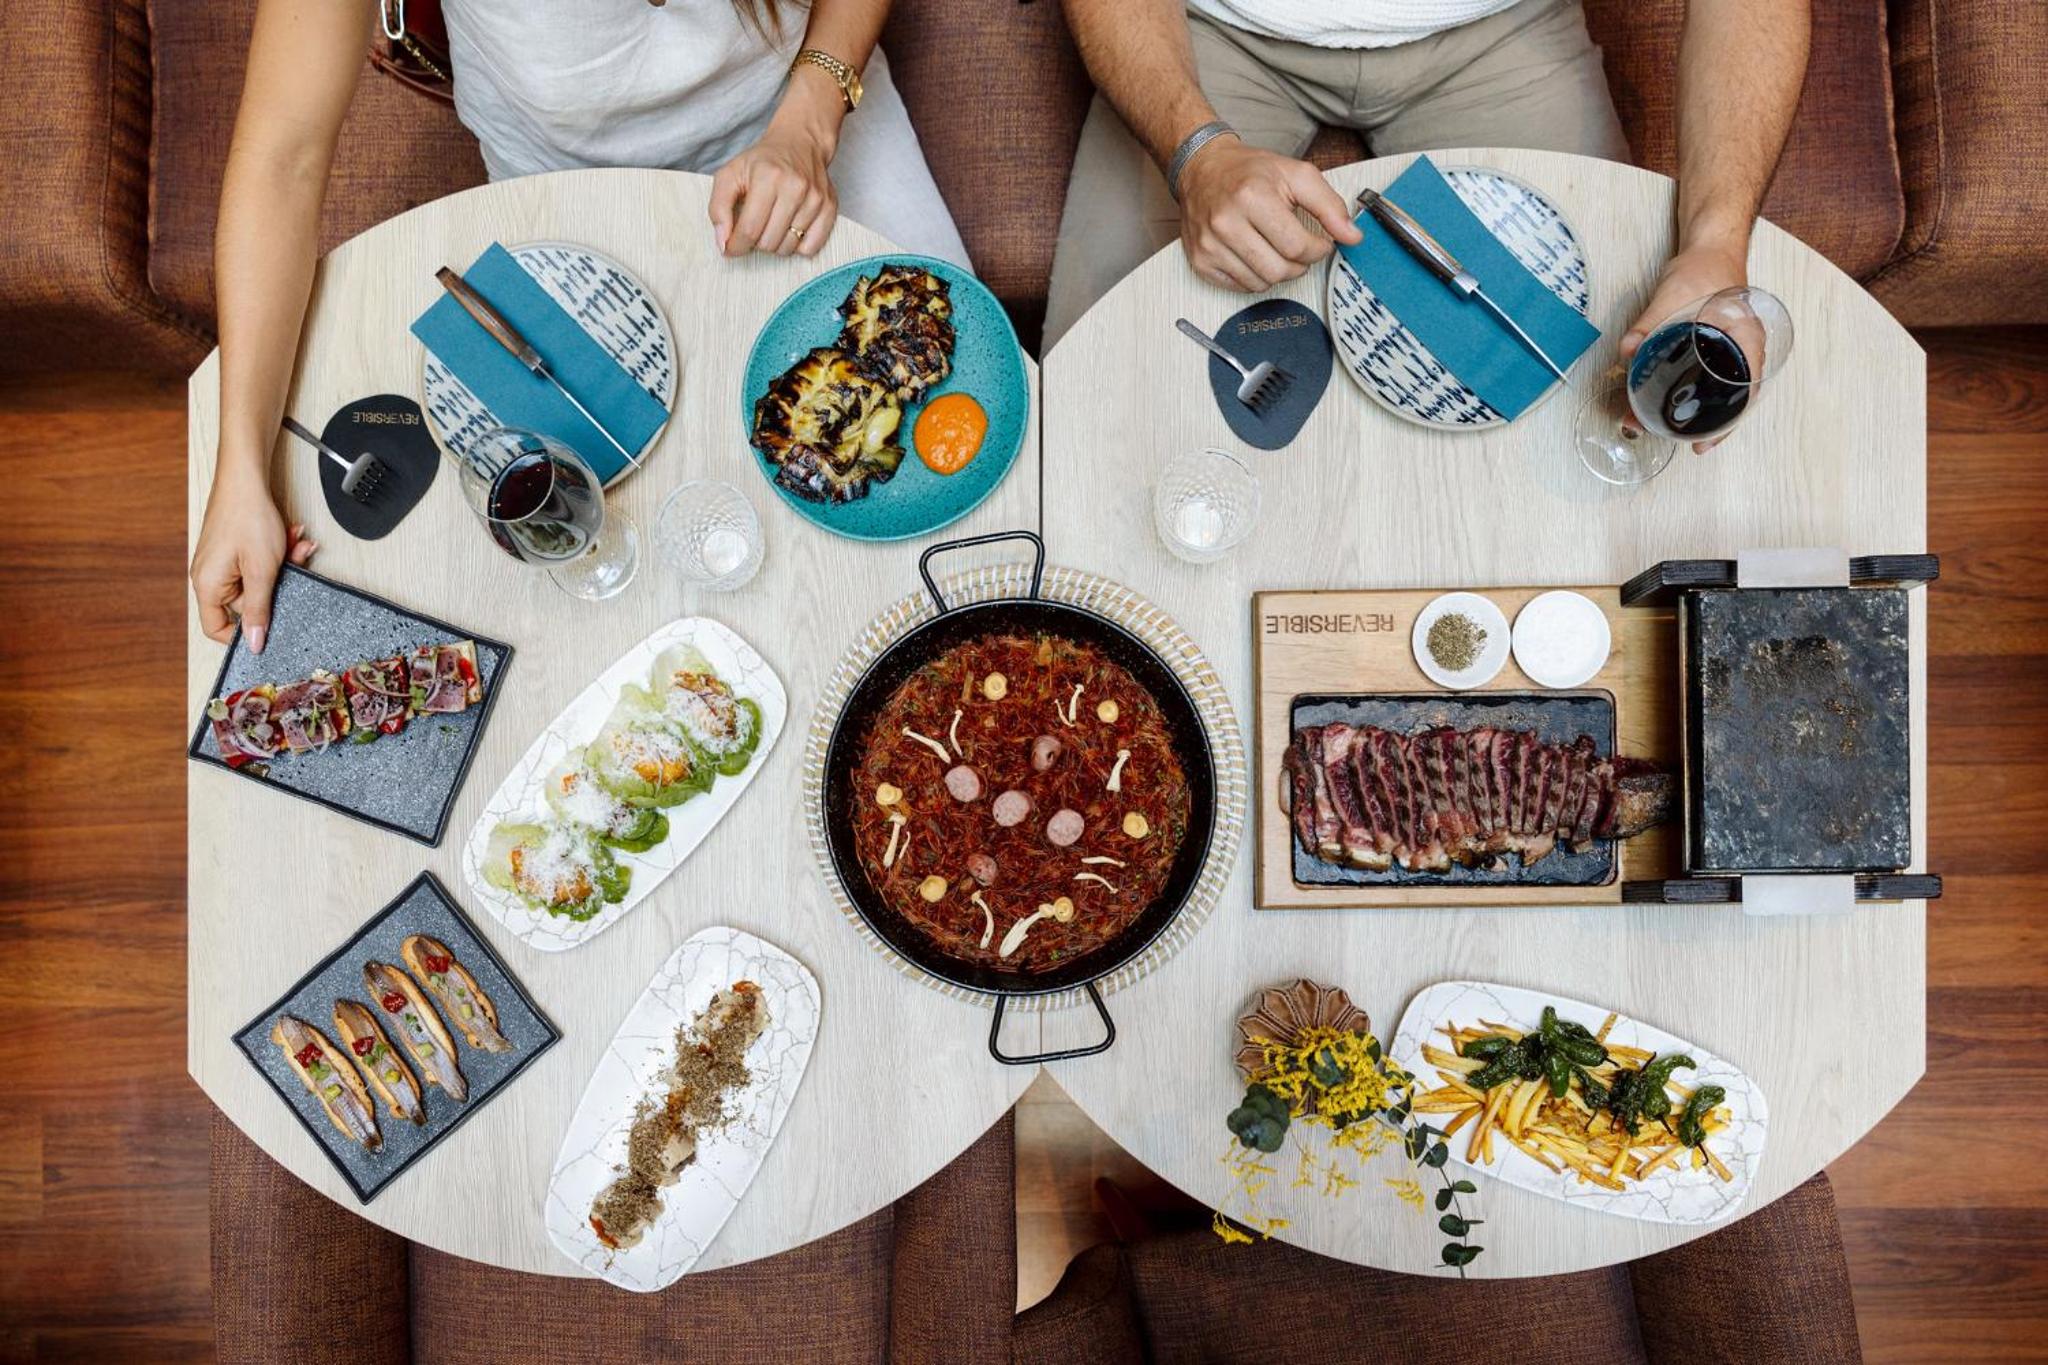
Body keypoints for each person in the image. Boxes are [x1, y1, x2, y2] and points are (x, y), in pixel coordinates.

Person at [191, 0, 967, 650]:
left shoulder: (812, 117)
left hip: (807, 112)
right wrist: (241, 470)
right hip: (576, 203)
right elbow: (282, 159)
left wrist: (812, 118)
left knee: (954, 493)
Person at [1044, 0, 1812, 384]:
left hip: (1501, 29)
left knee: (1604, 374)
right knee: (1104, 379)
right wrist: (1196, 155)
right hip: (1208, 30)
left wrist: (1716, 243)